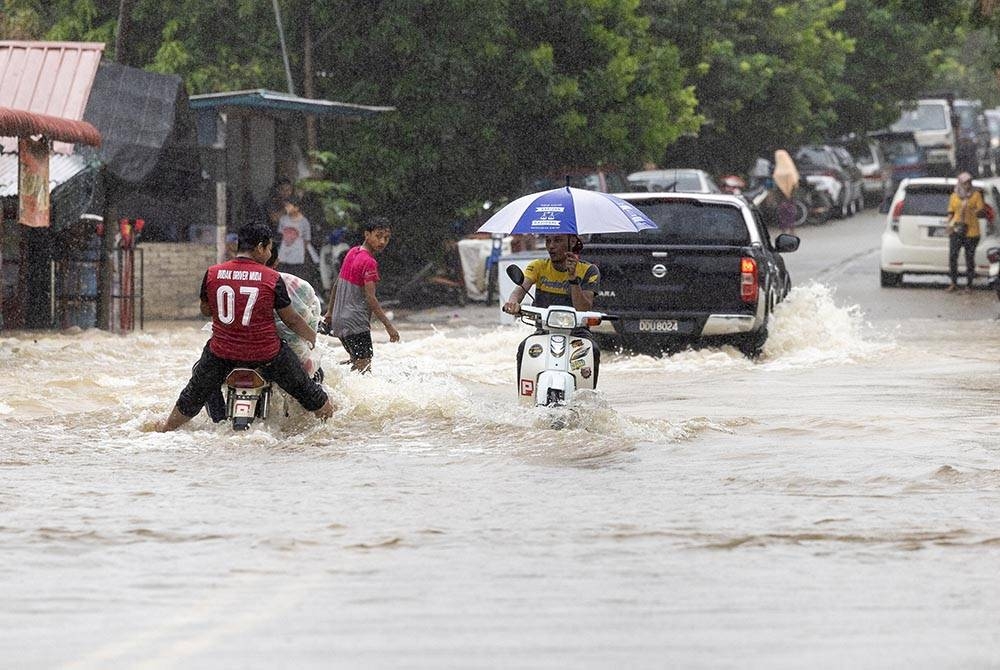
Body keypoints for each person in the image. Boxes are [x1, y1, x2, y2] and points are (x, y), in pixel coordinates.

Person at [158, 223, 335, 432]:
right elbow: (292, 320)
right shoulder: (272, 278)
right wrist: (312, 337)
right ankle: (331, 424)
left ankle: (166, 428)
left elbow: (206, 310)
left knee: (195, 391)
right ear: (260, 247)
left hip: (222, 354)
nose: (269, 254)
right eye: (268, 249)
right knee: (308, 391)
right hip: (267, 354)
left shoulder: (213, 273)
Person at [502, 234, 601, 381]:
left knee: (592, 350)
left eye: (557, 240)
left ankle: (586, 398)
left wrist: (573, 278)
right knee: (524, 348)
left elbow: (583, 308)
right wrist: (512, 302)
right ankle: (525, 401)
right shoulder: (538, 266)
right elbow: (519, 291)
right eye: (548, 241)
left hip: (577, 333)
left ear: (572, 242)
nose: (551, 246)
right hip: (544, 331)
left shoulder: (589, 270)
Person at [321, 217, 400, 373]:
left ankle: (329, 375)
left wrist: (330, 312)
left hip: (340, 321)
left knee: (356, 365)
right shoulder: (369, 262)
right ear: (367, 234)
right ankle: (326, 376)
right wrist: (389, 326)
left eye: (386, 238)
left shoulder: (352, 252)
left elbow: (336, 284)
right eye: (378, 236)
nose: (383, 241)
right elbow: (371, 298)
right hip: (355, 323)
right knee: (364, 368)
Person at [945, 171, 984, 293]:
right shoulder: (954, 196)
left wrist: (972, 209)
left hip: (971, 231)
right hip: (956, 229)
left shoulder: (976, 195)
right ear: (960, 183)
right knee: (953, 256)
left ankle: (969, 285)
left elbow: (980, 210)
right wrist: (949, 224)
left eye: (969, 182)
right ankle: (953, 283)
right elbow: (951, 212)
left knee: (969, 258)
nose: (967, 185)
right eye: (965, 183)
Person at [277, 195, 320, 286]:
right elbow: (281, 233)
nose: (286, 208)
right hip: (284, 252)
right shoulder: (283, 219)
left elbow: (307, 239)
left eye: (289, 206)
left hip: (297, 253)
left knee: (296, 275)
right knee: (284, 275)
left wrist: (303, 253)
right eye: (286, 206)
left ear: (296, 208)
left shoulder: (304, 222)